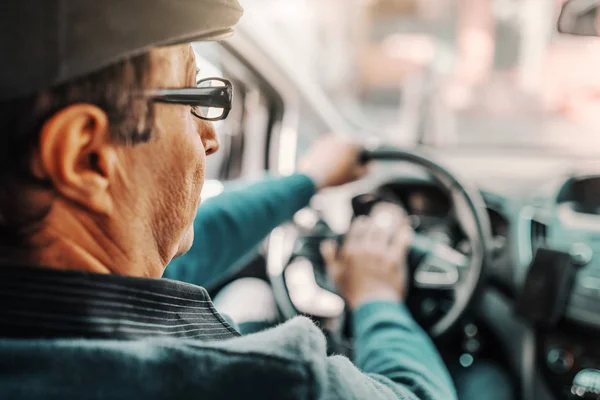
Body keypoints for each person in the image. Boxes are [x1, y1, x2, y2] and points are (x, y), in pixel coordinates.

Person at [0, 1, 457, 399]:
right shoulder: (263, 382)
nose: (211, 138)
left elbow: (182, 251)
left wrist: (307, 180)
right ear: (87, 157)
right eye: (195, 95)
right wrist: (377, 296)